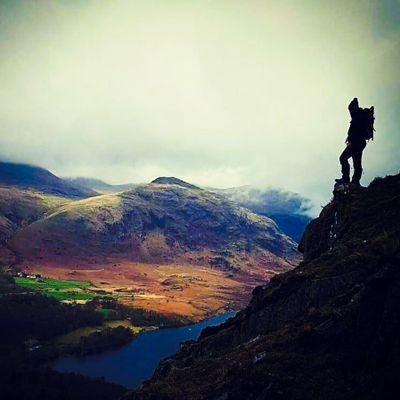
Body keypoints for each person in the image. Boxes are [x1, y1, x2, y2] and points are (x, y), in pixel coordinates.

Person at [335, 97, 369, 185]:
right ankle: (355, 182)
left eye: (350, 109)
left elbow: (354, 132)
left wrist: (351, 142)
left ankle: (346, 178)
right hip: (361, 142)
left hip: (356, 142)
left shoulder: (357, 117)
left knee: (343, 158)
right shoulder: (360, 116)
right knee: (357, 163)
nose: (349, 111)